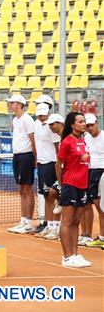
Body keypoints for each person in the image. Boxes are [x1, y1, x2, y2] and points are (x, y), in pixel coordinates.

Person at [55, 112, 92, 267]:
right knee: (67, 221)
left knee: (76, 222)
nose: (84, 124)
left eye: (84, 121)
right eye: (81, 121)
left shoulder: (83, 141)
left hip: (83, 185)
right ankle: (67, 256)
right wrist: (61, 184)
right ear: (72, 125)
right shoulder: (67, 142)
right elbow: (58, 164)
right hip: (70, 184)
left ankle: (75, 254)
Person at [6, 93, 37, 234]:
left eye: (12, 103)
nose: (10, 105)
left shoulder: (27, 119)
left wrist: (35, 157)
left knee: (27, 189)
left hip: (26, 156)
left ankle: (29, 223)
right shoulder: (15, 120)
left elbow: (32, 139)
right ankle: (23, 220)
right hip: (17, 156)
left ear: (19, 104)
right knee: (21, 190)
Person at [33, 96, 61, 238]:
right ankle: (49, 226)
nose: (42, 117)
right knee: (45, 196)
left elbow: (57, 149)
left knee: (53, 196)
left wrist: (58, 165)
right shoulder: (36, 124)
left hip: (51, 164)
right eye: (39, 115)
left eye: (44, 114)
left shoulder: (52, 128)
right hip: (41, 164)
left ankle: (56, 228)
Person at [80, 113, 104, 248]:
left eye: (91, 125)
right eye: (87, 126)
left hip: (101, 173)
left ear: (97, 123)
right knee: (90, 204)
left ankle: (102, 236)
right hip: (89, 172)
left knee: (101, 206)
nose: (89, 128)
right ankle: (89, 235)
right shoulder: (86, 137)